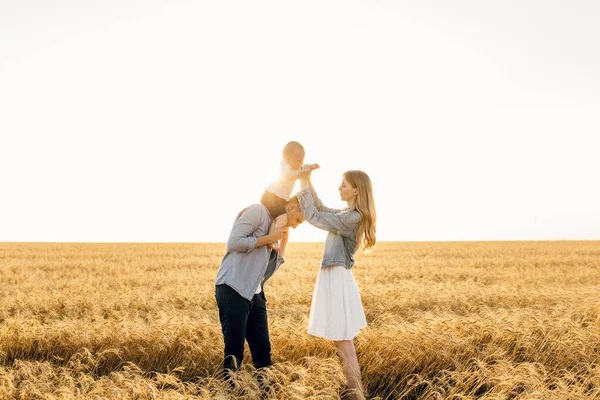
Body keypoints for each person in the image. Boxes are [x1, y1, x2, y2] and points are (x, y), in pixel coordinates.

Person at [296, 169, 377, 400]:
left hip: (338, 280)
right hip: (335, 278)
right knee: (342, 342)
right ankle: (355, 394)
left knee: (344, 343)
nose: (339, 188)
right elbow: (319, 208)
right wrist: (307, 180)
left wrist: (302, 181)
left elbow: (314, 217)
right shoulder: (346, 214)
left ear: (355, 190)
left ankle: (356, 395)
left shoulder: (352, 218)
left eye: (343, 185)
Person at [214, 195, 306, 376]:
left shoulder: (277, 228)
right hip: (233, 288)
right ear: (292, 207)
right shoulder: (258, 211)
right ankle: (228, 393)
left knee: (263, 351)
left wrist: (282, 242)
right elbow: (233, 243)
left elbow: (266, 273)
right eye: (298, 220)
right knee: (234, 353)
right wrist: (268, 238)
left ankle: (265, 393)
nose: (295, 225)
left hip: (255, 294)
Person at [261, 140, 319, 250]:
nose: (301, 164)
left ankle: (276, 240)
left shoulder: (293, 168)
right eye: (299, 161)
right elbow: (289, 176)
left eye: (302, 162)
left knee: (284, 221)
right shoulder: (284, 166)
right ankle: (271, 239)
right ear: (288, 159)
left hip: (279, 199)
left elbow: (298, 175)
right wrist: (302, 172)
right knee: (281, 219)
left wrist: (307, 169)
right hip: (271, 197)